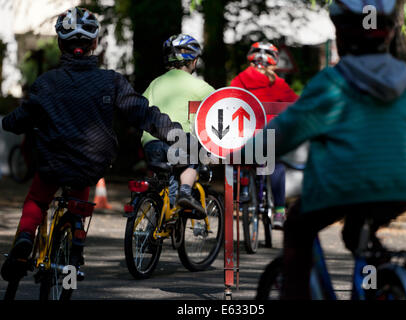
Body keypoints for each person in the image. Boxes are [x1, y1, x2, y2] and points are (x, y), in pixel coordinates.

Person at [238, 0, 406, 299]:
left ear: (343, 36)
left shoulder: (333, 82)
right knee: (357, 234)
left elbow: (287, 130)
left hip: (343, 185)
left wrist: (243, 153)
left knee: (298, 227)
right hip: (401, 185)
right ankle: (384, 282)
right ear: (387, 33)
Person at [1, 7, 184, 282]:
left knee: (38, 198)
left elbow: (22, 118)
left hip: (52, 162)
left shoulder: (47, 83)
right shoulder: (111, 82)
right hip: (91, 162)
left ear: (60, 43)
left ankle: (25, 239)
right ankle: (75, 247)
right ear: (95, 43)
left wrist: (9, 122)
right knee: (79, 193)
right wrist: (176, 134)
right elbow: (143, 113)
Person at [140, 34, 215, 216]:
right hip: (179, 141)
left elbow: (140, 106)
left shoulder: (155, 83)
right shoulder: (200, 86)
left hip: (151, 143)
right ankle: (186, 192)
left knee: (164, 186)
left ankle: (158, 218)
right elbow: (220, 105)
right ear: (194, 61)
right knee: (195, 157)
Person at [230, 41, 299, 229]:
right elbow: (296, 106)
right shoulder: (277, 83)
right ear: (273, 62)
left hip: (244, 138)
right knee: (276, 164)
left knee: (239, 159)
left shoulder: (240, 79)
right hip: (270, 138)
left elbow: (229, 100)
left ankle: (241, 186)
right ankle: (278, 211)